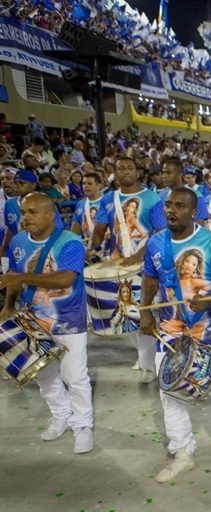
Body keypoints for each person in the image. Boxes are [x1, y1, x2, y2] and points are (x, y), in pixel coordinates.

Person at [139, 187, 211, 483]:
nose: (172, 210)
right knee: (170, 390)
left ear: (194, 211)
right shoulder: (156, 242)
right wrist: (145, 311)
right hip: (171, 330)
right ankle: (182, 450)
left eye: (180, 206)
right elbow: (149, 277)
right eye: (169, 205)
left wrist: (209, 299)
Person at [0, 193, 93, 453]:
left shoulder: (70, 242)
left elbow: (64, 279)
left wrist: (20, 276)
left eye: (32, 212)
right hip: (31, 319)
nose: (25, 217)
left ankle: (83, 424)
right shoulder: (18, 241)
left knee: (74, 375)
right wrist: (9, 305)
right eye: (23, 211)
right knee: (43, 373)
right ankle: (61, 414)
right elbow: (14, 279)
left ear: (50, 215)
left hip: (68, 320)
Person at [89, 156, 166, 382]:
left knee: (143, 309)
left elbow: (160, 231)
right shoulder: (107, 199)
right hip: (117, 264)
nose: (126, 171)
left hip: (145, 263)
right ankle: (145, 356)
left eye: (130, 167)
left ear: (137, 172)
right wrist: (92, 247)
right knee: (124, 312)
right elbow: (99, 228)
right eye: (121, 168)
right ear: (114, 173)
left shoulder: (152, 198)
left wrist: (139, 255)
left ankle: (149, 364)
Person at [71, 172, 103, 250]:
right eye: (84, 183)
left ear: (98, 185)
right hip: (88, 249)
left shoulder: (108, 201)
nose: (86, 186)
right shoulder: (80, 204)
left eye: (89, 183)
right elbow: (74, 230)